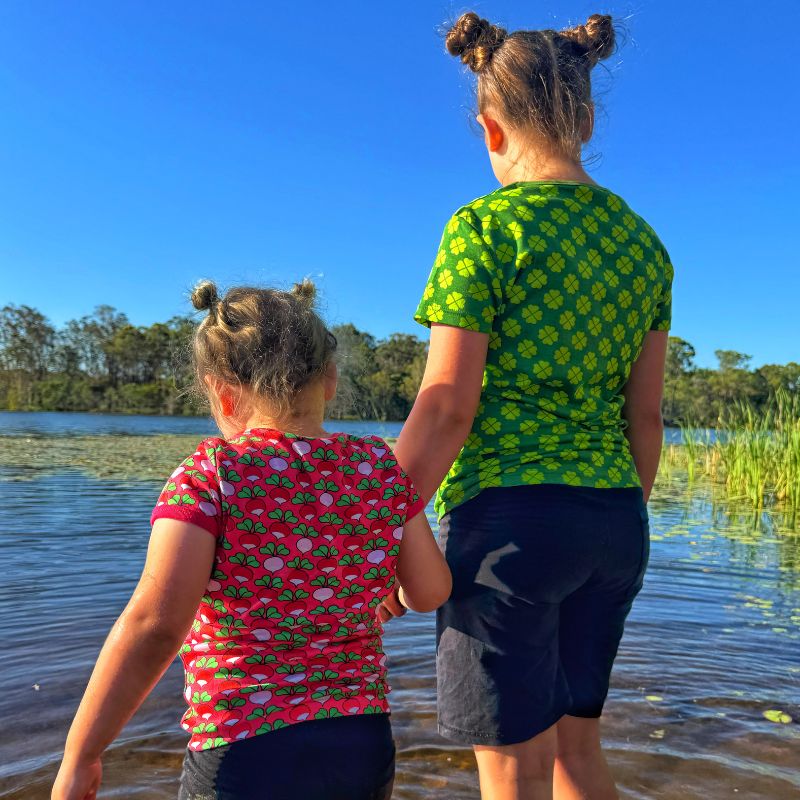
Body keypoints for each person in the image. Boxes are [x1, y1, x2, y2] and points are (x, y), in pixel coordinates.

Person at [391, 11, 674, 800]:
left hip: (510, 528)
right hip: (616, 521)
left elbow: (446, 407)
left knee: (511, 771)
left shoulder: (485, 228)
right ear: (585, 120)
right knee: (578, 755)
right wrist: (617, 518)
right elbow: (643, 418)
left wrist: (373, 524)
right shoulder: (644, 244)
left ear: (490, 129)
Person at [51, 280, 451, 800]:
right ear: (329, 378)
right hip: (360, 739)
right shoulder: (378, 465)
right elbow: (430, 591)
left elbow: (156, 624)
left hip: (242, 743)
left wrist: (82, 755)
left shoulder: (212, 473)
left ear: (219, 390)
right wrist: (376, 592)